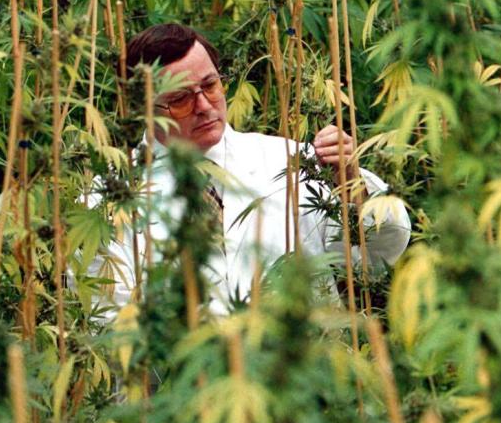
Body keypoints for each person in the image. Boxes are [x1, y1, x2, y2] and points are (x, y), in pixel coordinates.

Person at [84, 23, 410, 319]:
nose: (205, 106)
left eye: (210, 85)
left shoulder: (292, 163)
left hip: (302, 375)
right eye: (181, 99)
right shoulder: (107, 201)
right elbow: (109, 322)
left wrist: (351, 186)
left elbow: (383, 248)